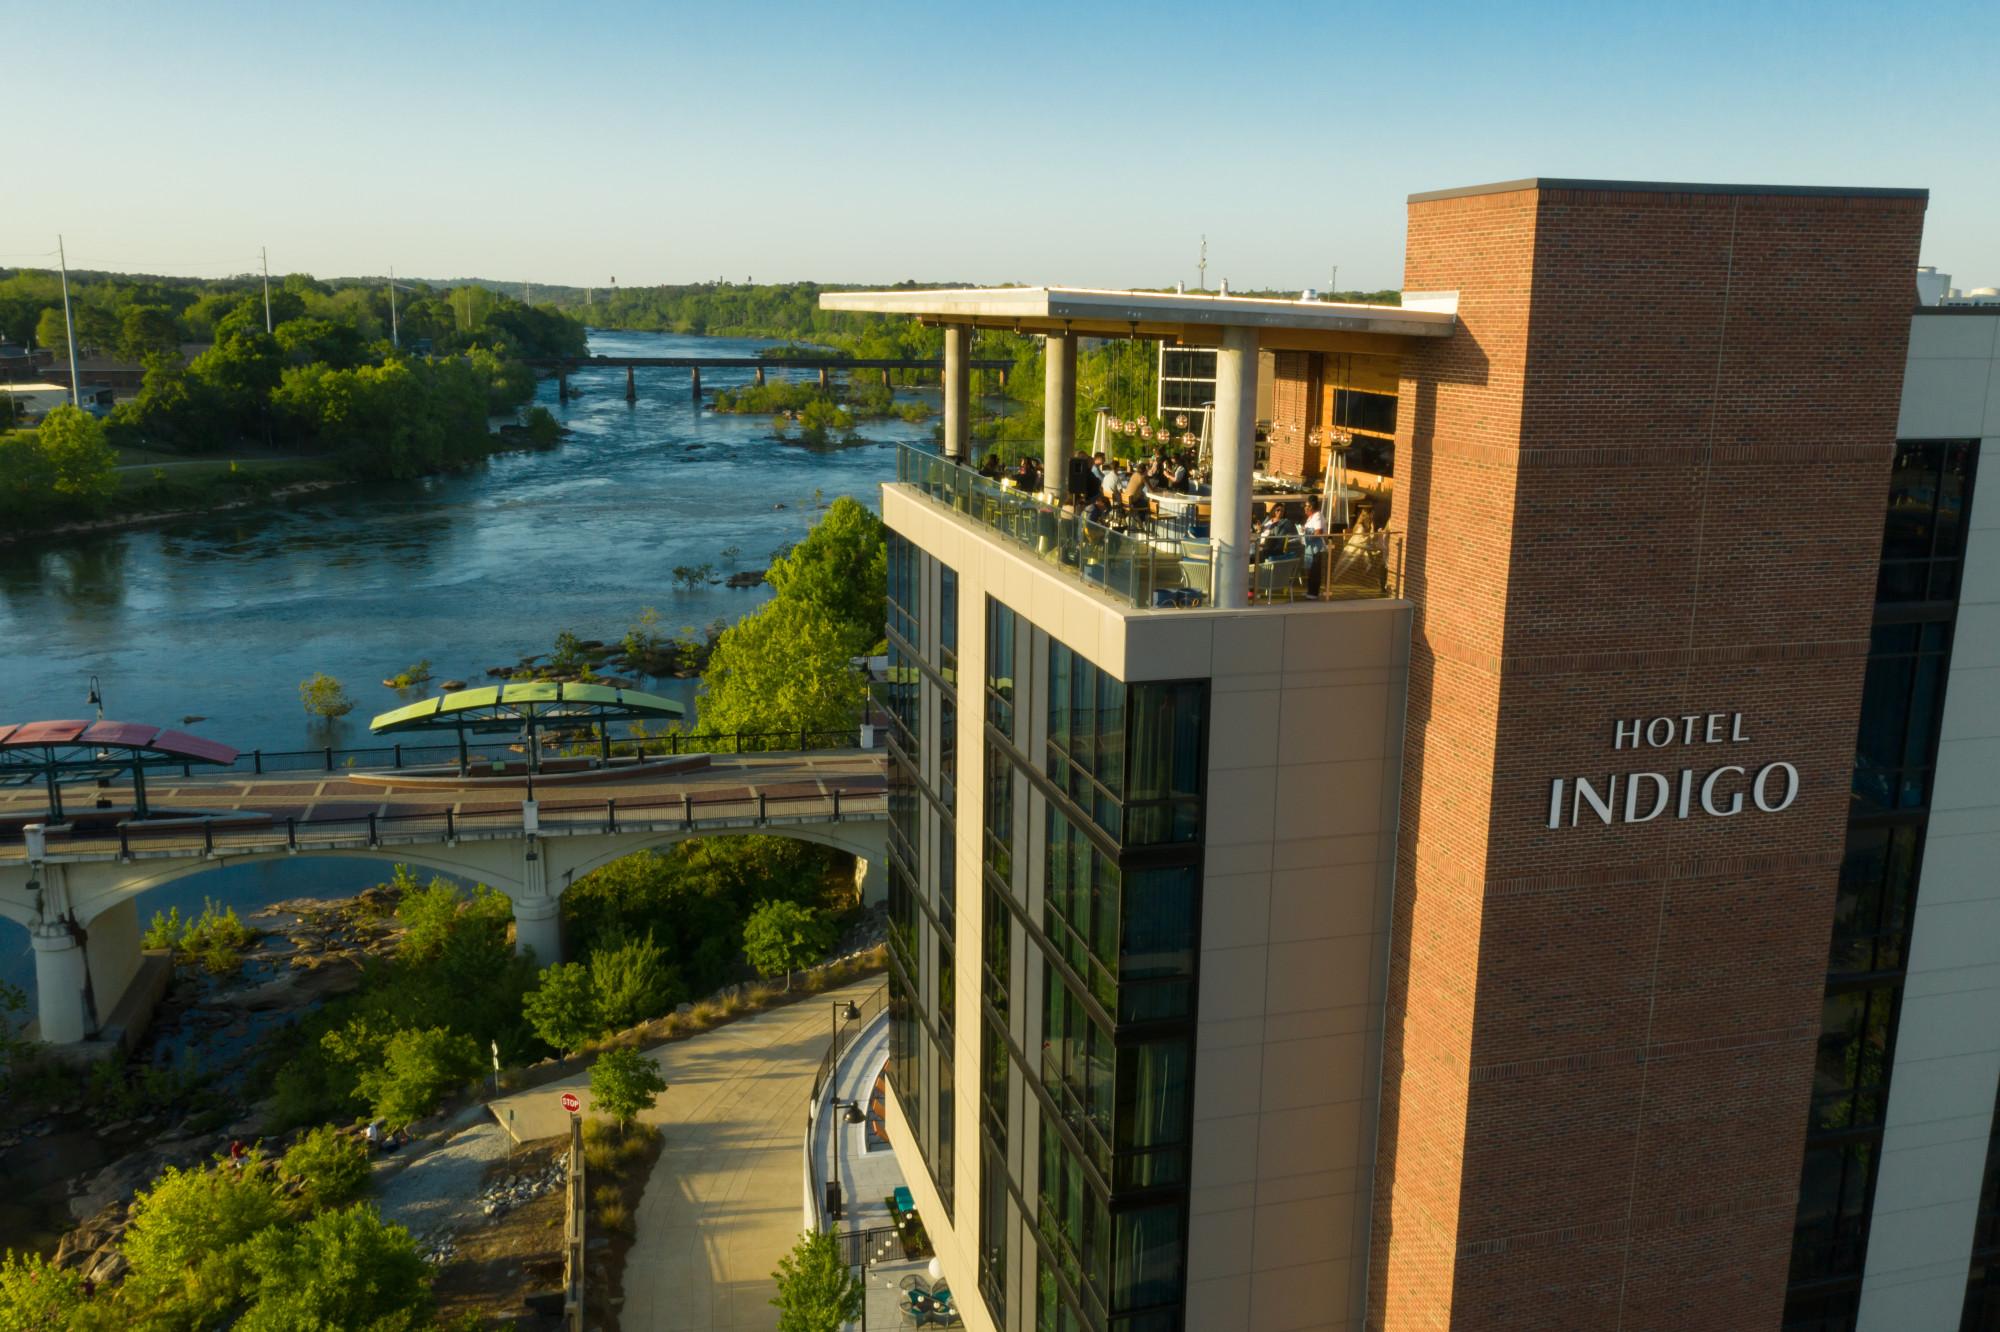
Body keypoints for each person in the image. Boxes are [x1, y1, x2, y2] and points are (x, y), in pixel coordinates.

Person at [1301, 497, 1328, 596]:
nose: (1305, 508)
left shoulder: (1317, 516)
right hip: (1310, 548)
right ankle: (1310, 591)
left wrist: (1307, 531)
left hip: (1316, 549)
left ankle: (1314, 593)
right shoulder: (1311, 517)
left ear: (1312, 507)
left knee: (1315, 571)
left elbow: (1318, 531)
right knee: (1311, 571)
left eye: (1307, 506)